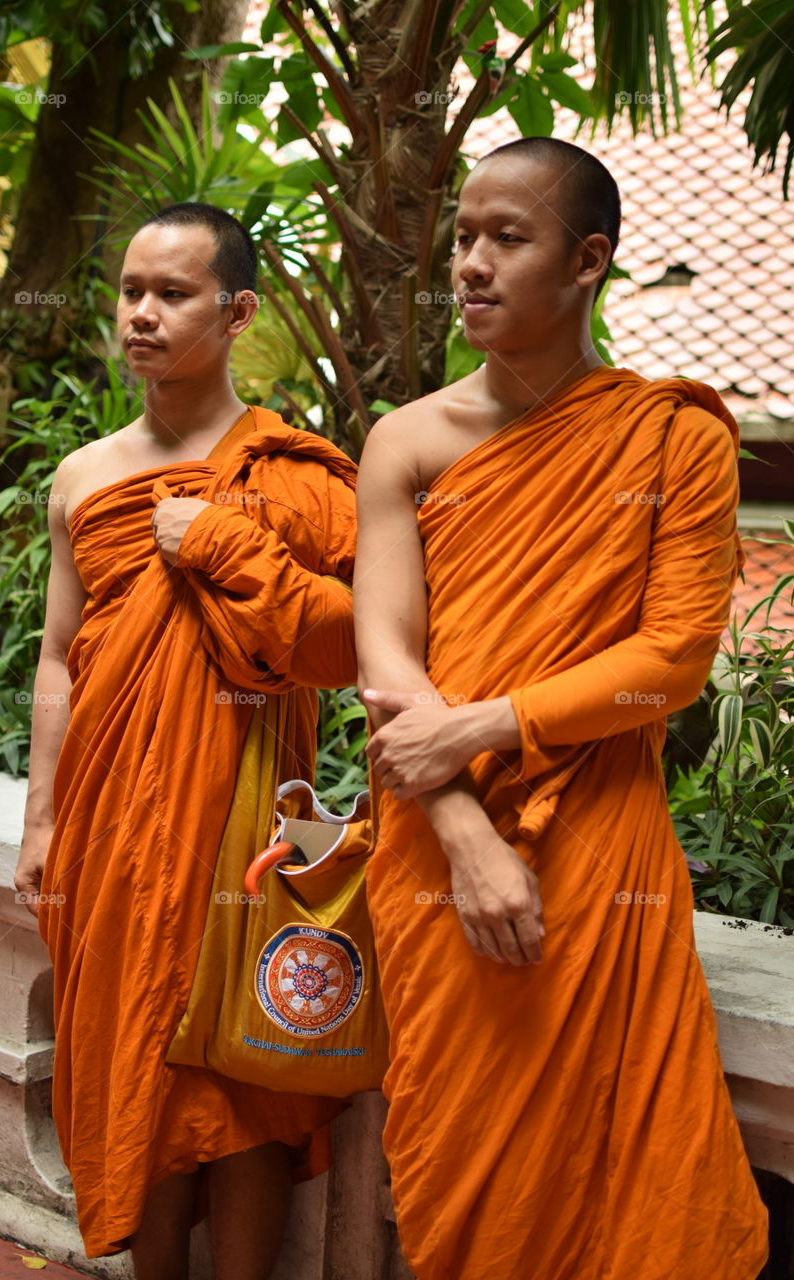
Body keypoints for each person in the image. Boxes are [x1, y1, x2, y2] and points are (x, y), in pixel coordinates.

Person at [353, 138, 769, 1280]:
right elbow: (384, 652)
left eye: (507, 238)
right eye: (462, 239)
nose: (471, 264)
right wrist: (463, 825)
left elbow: (671, 659)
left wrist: (481, 726)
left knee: (629, 1173)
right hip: (437, 842)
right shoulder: (408, 439)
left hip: (600, 843)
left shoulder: (671, 438)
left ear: (586, 260)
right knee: (463, 1171)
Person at [14, 202, 358, 1279]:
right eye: (130, 292)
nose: (142, 314)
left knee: (242, 1073)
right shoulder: (83, 478)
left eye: (172, 293)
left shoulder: (298, 475)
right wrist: (41, 819)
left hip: (248, 817)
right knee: (133, 1050)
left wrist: (216, 543)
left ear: (237, 308)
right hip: (112, 820)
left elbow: (345, 649)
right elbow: (60, 657)